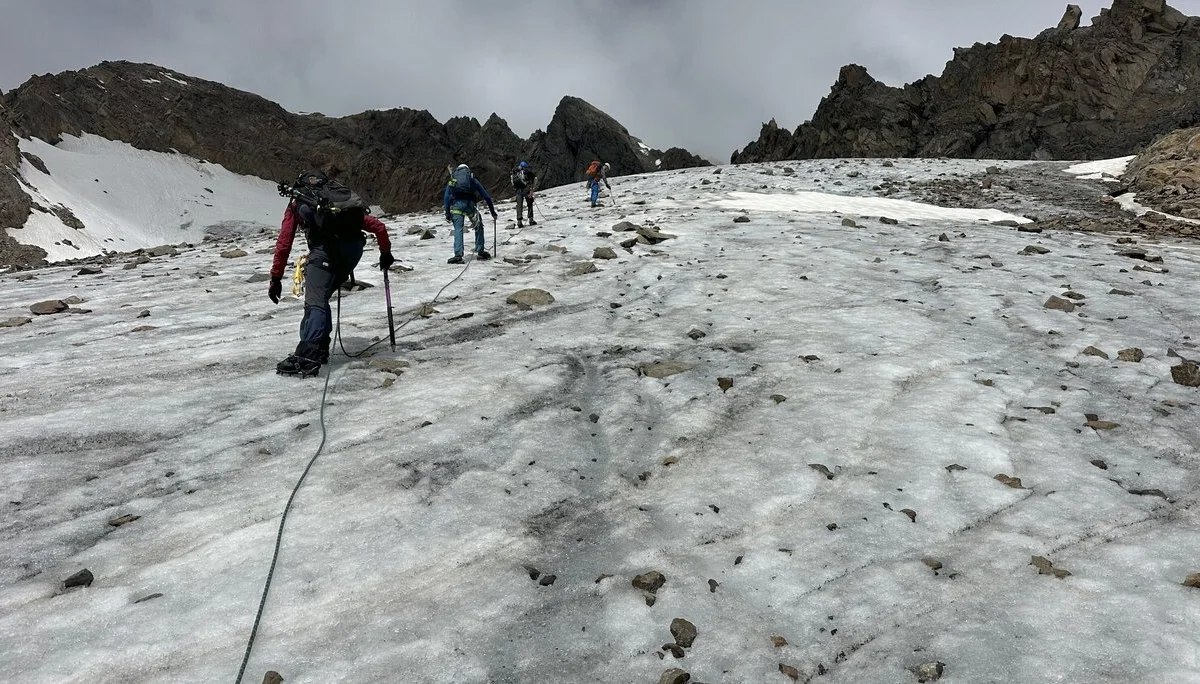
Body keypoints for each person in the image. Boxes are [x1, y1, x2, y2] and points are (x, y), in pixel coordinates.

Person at [268, 170, 394, 377]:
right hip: (352, 253)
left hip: (324, 253)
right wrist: (385, 253)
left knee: (315, 301)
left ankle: (308, 356)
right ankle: (320, 348)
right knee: (322, 297)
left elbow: (284, 244)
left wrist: (275, 277)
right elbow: (378, 227)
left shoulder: (298, 202)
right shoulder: (341, 204)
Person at [443, 163, 498, 264]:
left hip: (457, 206)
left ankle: (458, 255)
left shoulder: (453, 180)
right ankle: (480, 251)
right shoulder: (471, 179)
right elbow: (486, 196)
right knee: (478, 226)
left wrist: (447, 213)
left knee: (458, 229)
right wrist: (492, 212)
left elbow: (446, 197)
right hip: (470, 206)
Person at [511, 161, 538, 228]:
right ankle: (531, 220)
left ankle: (519, 221)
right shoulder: (527, 172)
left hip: (518, 191)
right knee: (530, 203)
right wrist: (533, 188)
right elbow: (535, 178)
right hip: (526, 189)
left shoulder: (515, 173)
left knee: (519, 206)